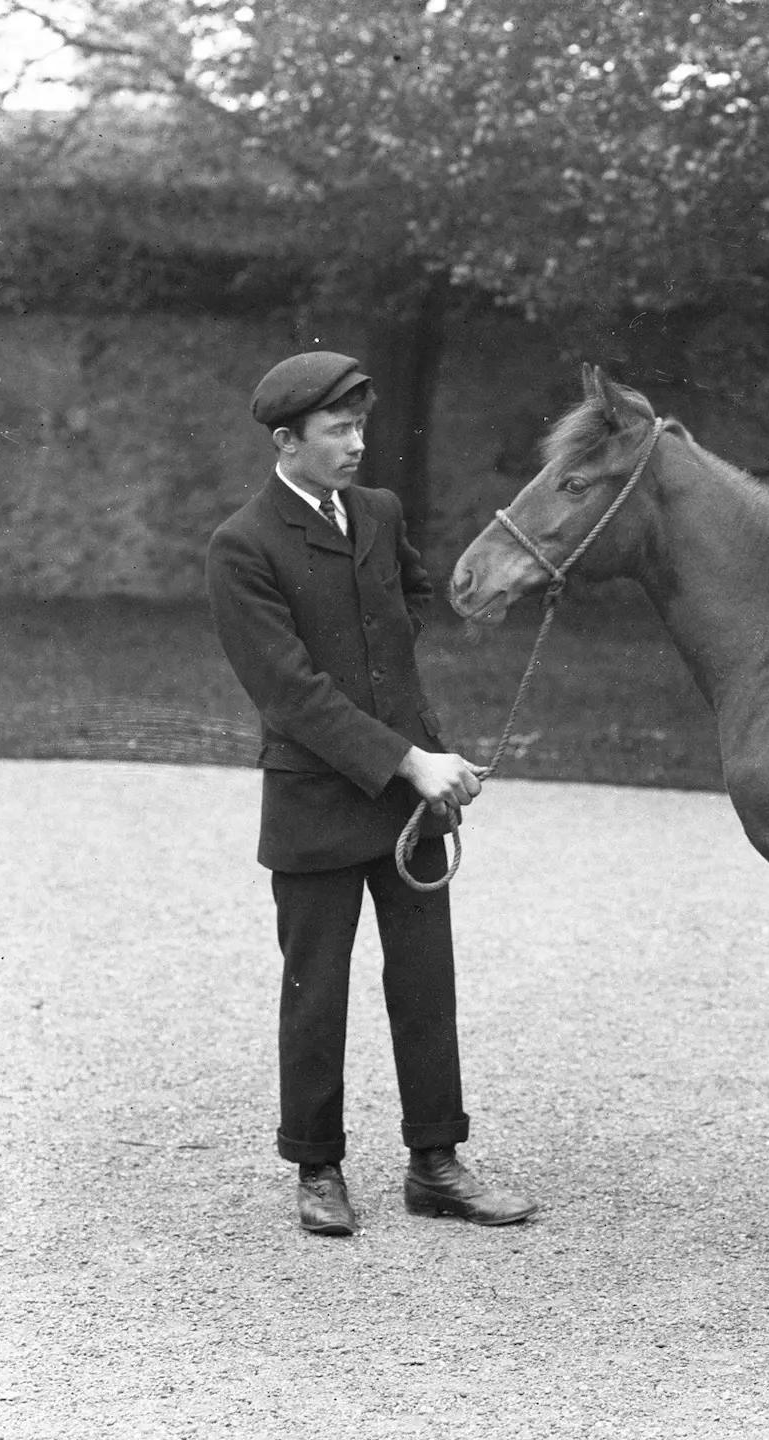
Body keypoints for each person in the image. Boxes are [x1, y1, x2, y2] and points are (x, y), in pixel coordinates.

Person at [206, 350, 537, 1236]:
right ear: (287, 441)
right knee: (317, 988)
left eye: (362, 427)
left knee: (427, 982)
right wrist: (409, 757)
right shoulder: (243, 546)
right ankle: (317, 1168)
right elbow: (289, 692)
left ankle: (437, 1163)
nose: (358, 444)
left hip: (407, 799)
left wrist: (412, 730)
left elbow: (405, 612)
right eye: (338, 430)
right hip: (317, 800)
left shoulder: (380, 516)